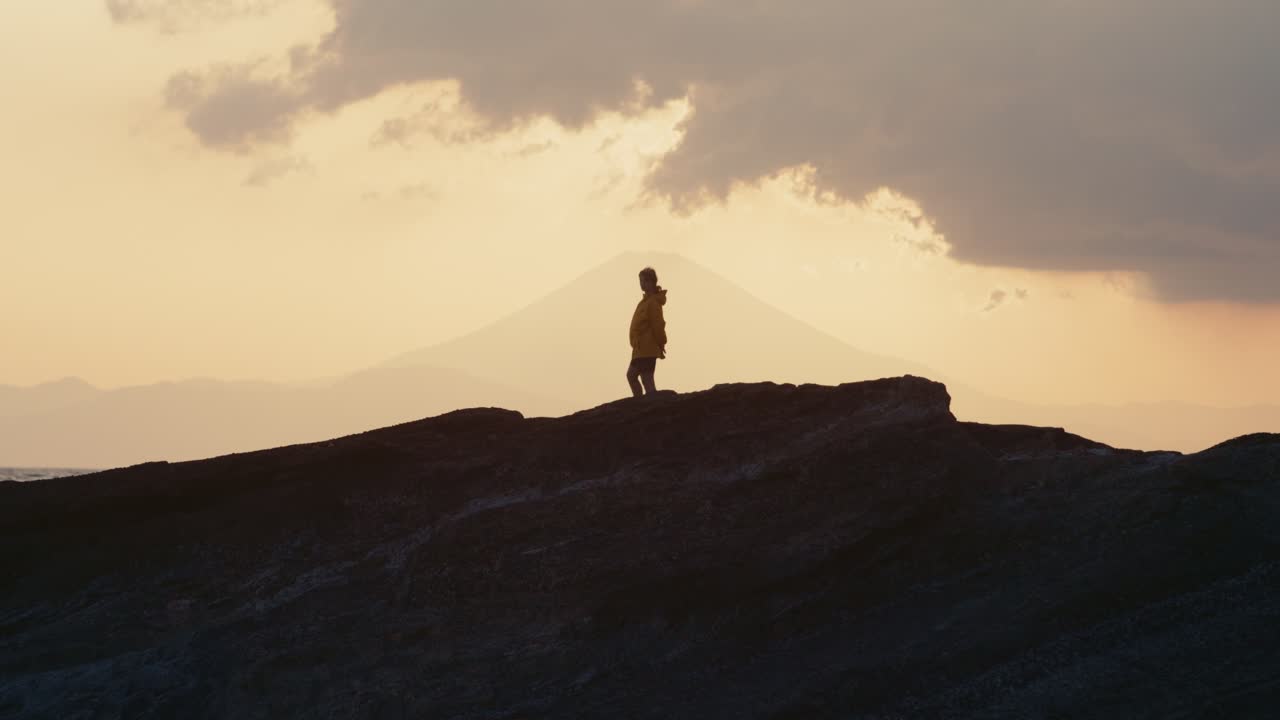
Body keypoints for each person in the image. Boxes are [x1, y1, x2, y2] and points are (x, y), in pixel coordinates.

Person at [627, 266, 667, 397]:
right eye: (640, 281)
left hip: (647, 348)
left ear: (651, 282)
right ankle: (641, 402)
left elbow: (658, 325)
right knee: (635, 376)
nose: (641, 284)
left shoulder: (653, 303)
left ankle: (649, 406)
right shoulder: (644, 302)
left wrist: (661, 343)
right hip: (640, 348)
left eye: (643, 281)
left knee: (645, 379)